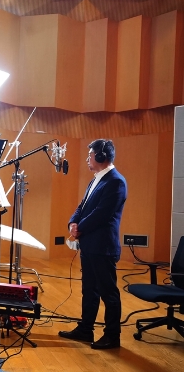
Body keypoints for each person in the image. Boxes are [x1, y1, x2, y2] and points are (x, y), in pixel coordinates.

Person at [59, 139, 127, 350]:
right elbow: (82, 207)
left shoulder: (116, 182)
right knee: (89, 290)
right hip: (89, 245)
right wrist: (72, 222)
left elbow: (102, 214)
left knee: (108, 292)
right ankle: (85, 329)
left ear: (100, 156)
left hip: (102, 246)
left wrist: (79, 228)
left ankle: (112, 336)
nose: (87, 158)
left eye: (90, 155)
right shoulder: (96, 180)